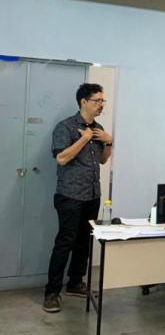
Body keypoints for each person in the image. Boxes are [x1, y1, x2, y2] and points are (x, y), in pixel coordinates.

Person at [43, 84, 113, 313]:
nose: (101, 105)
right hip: (70, 196)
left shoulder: (99, 128)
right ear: (83, 101)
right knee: (65, 242)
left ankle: (75, 282)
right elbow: (62, 158)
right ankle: (51, 292)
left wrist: (108, 142)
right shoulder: (66, 127)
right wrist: (84, 139)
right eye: (97, 100)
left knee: (84, 242)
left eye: (103, 101)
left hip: (92, 195)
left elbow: (103, 161)